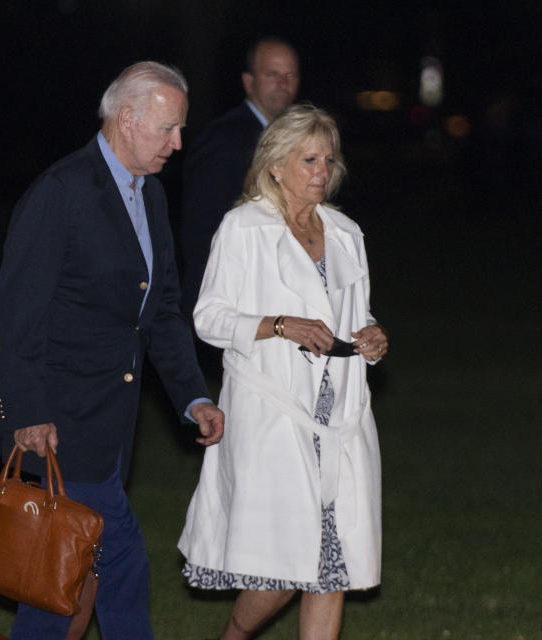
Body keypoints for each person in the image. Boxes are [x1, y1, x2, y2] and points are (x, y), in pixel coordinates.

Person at [0, 61, 225, 640]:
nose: (178, 143)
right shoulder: (62, 191)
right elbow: (17, 313)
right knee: (119, 561)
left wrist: (193, 396)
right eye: (168, 128)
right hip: (59, 425)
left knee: (56, 583)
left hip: (112, 426)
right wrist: (29, 411)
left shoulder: (153, 198)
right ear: (126, 118)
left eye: (181, 129)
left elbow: (160, 311)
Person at [177, 104, 388, 640]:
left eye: (328, 160)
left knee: (330, 567)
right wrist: (277, 324)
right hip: (274, 412)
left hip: (340, 415)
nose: (322, 171)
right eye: (308, 159)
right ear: (275, 165)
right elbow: (209, 318)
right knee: (284, 567)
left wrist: (371, 337)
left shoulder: (344, 232)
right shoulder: (244, 228)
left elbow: (355, 315)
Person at [178, 37, 300, 321]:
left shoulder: (293, 138)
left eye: (290, 75)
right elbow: (200, 231)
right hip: (230, 304)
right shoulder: (224, 139)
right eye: (272, 74)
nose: (283, 83)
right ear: (249, 82)